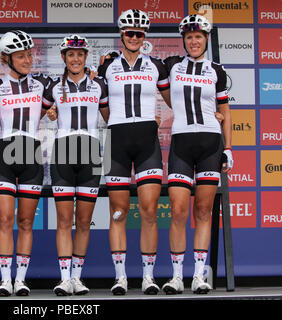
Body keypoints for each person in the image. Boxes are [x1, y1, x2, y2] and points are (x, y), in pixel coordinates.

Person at [97, 9, 171, 295]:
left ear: (145, 37)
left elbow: (175, 98)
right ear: (121, 35)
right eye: (130, 33)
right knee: (117, 212)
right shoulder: (106, 67)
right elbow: (101, 105)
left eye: (139, 33)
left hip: (147, 142)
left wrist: (212, 112)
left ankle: (148, 277)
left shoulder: (157, 66)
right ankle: (121, 277)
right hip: (114, 140)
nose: (134, 37)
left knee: (149, 211)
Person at [161, 14, 232, 295]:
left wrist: (228, 148)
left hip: (210, 144)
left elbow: (225, 113)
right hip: (181, 143)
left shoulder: (217, 70)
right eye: (189, 37)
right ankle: (176, 276)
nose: (193, 41)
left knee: (203, 211)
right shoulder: (171, 65)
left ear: (205, 39)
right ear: (184, 40)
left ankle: (199, 276)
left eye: (198, 36)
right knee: (178, 211)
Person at [0, 30, 50, 296]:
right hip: (5, 153)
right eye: (20, 56)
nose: (27, 60)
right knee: (5, 219)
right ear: (6, 59)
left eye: (29, 55)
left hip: (31, 152)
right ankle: (4, 279)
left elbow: (72, 82)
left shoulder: (43, 83)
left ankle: (20, 280)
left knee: (25, 221)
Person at [42, 35, 109, 296]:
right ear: (63, 58)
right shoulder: (53, 88)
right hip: (62, 153)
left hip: (92, 152)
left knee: (83, 221)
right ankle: (64, 279)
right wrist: (49, 114)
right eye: (71, 54)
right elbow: (33, 112)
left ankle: (77, 278)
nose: (76, 58)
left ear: (86, 57)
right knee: (63, 220)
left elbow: (110, 117)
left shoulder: (98, 84)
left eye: (80, 54)